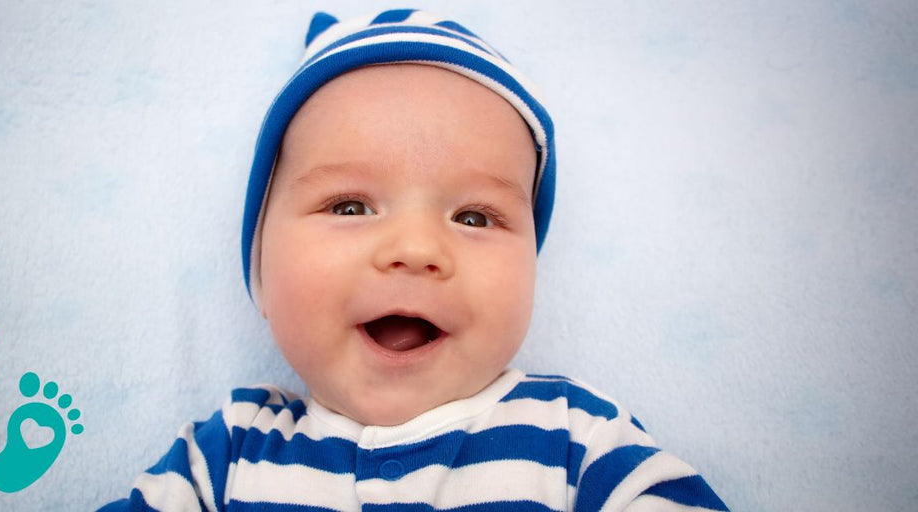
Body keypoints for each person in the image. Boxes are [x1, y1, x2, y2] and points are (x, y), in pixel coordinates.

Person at [100, 9, 728, 511]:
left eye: (474, 218)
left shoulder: (578, 439)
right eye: (349, 207)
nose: (417, 250)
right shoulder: (229, 454)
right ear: (262, 270)